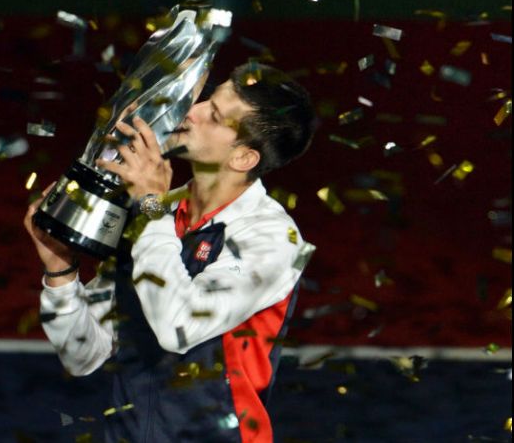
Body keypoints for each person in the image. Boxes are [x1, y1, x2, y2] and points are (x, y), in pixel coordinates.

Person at [24, 63, 318, 443]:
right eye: (208, 99)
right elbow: (84, 355)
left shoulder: (274, 241)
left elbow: (178, 328)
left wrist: (151, 205)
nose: (191, 111)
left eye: (214, 115)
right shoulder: (156, 217)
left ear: (243, 158)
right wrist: (61, 273)